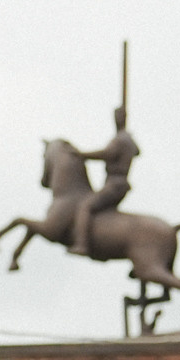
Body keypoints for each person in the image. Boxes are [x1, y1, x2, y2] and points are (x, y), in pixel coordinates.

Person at [69, 105, 139, 255]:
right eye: (115, 116)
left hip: (114, 183)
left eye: (118, 116)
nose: (116, 119)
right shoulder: (127, 139)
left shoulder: (120, 139)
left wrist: (82, 155)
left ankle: (81, 244)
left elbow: (106, 153)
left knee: (85, 206)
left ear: (123, 118)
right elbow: (137, 151)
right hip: (120, 183)